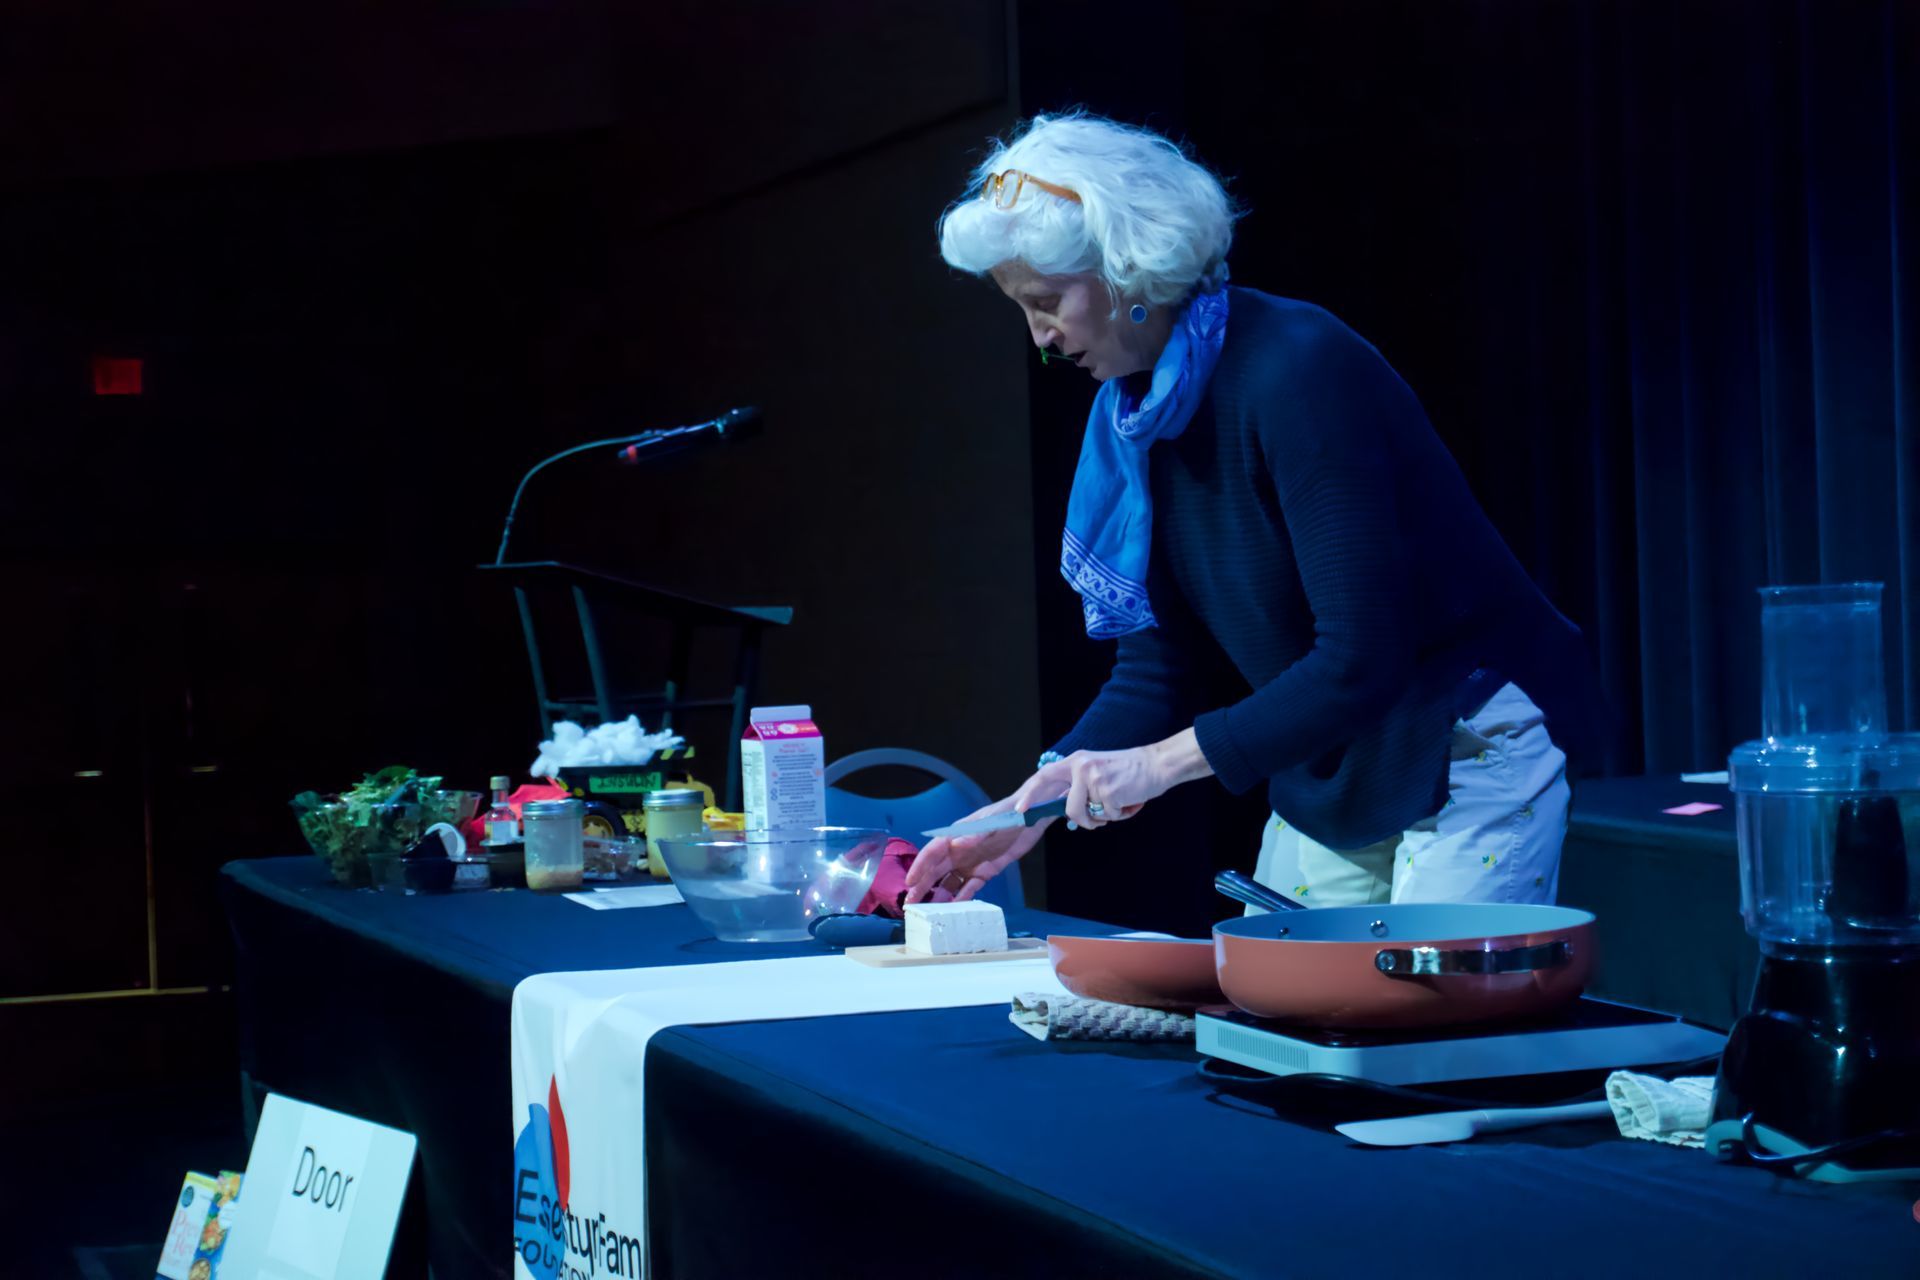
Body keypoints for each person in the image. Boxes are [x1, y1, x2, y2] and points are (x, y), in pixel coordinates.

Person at [904, 112, 1596, 911]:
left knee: (1426, 1024)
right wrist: (1032, 806)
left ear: (1124, 266)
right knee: (1283, 1013)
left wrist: (1157, 767)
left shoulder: (1296, 370)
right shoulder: (1134, 421)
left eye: (1047, 300)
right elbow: (1156, 668)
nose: (1042, 338)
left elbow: (1361, 656)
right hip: (1333, 758)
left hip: (1463, 742)